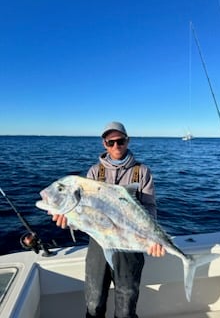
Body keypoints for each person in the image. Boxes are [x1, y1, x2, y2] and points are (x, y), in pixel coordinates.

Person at [52, 122, 165, 318]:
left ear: (127, 141)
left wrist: (153, 237)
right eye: (110, 142)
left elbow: (149, 207)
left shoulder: (142, 172)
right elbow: (85, 212)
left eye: (120, 141)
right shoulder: (95, 172)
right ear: (104, 144)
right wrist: (69, 219)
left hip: (130, 243)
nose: (115, 146)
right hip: (99, 239)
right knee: (94, 303)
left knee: (126, 307)